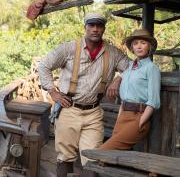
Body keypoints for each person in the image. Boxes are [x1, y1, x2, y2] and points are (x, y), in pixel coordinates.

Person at [38, 13, 129, 177]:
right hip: (69, 108)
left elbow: (132, 68)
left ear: (103, 29)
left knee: (92, 158)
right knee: (65, 157)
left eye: (99, 26)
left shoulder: (113, 53)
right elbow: (44, 65)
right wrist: (53, 92)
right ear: (85, 27)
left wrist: (119, 79)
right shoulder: (69, 48)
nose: (95, 29)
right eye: (91, 25)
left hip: (94, 112)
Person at [99, 29, 161, 151]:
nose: (139, 46)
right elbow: (124, 98)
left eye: (143, 42)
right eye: (136, 43)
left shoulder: (151, 68)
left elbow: (154, 101)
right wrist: (119, 119)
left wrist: (141, 121)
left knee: (103, 152)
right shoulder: (128, 69)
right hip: (122, 117)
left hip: (138, 117)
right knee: (111, 159)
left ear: (149, 46)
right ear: (132, 47)